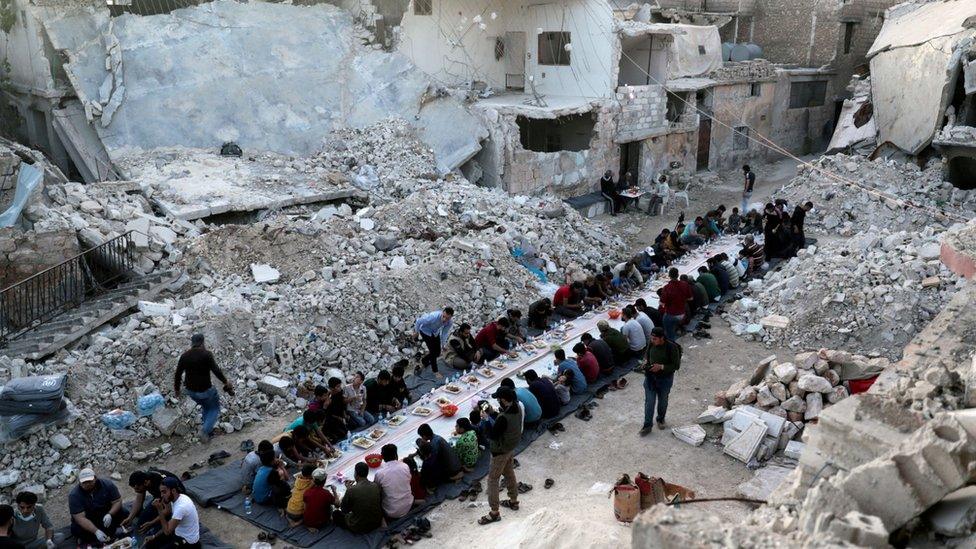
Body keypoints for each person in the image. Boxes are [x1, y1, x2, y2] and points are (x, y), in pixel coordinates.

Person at [174, 333, 234, 441]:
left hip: (191, 392)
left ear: (192, 343)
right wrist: (226, 382)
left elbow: (178, 374)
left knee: (206, 407)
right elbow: (216, 370)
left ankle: (208, 432)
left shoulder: (184, 356)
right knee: (214, 408)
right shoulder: (206, 354)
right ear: (202, 342)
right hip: (205, 391)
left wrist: (177, 389)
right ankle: (205, 431)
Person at [479, 387, 522, 526]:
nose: (498, 400)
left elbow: (493, 434)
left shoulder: (503, 418)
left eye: (498, 399)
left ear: (504, 399)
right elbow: (503, 423)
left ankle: (494, 512)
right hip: (510, 447)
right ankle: (514, 501)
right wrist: (492, 413)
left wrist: (486, 419)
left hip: (500, 451)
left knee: (492, 479)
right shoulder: (517, 407)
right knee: (509, 473)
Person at [639, 327, 682, 436]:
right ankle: (647, 425)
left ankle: (660, 419)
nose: (652, 341)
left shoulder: (672, 348)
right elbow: (647, 355)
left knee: (663, 401)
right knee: (650, 402)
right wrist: (645, 362)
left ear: (662, 338)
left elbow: (676, 366)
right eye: (652, 339)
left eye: (655, 339)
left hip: (665, 379)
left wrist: (661, 367)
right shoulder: (652, 343)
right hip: (650, 378)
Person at [69, 468, 122, 546]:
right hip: (88, 519)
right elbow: (80, 518)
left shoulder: (107, 485)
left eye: (90, 481)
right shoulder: (74, 495)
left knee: (123, 512)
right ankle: (89, 540)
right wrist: (96, 531)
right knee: (76, 529)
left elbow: (117, 501)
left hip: (104, 514)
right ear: (80, 482)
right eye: (84, 482)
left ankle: (115, 531)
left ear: (95, 478)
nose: (87, 484)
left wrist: (110, 514)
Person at [144, 477, 200, 549]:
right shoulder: (177, 498)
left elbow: (167, 532)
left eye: (164, 492)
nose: (161, 495)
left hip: (188, 541)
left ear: (173, 490)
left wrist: (159, 510)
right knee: (150, 544)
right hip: (178, 531)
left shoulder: (181, 507)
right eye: (161, 492)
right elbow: (168, 513)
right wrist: (154, 536)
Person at [334, 463, 383, 534]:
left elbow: (344, 509)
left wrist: (348, 491)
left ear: (355, 474)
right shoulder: (375, 485)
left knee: (336, 514)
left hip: (360, 527)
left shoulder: (351, 490)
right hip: (377, 522)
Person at [373, 445, 413, 519]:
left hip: (390, 511)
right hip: (408, 505)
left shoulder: (379, 473)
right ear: (396, 455)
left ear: (382, 457)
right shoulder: (405, 466)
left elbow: (376, 491)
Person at [122, 470, 164, 537]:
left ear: (146, 482)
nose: (136, 491)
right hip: (158, 498)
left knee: (160, 525)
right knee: (142, 520)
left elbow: (168, 510)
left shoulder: (161, 485)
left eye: (137, 488)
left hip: (171, 501)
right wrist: (130, 518)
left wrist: (152, 523)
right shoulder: (144, 479)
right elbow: (139, 500)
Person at [414, 307, 454, 377]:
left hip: (435, 332)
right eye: (443, 316)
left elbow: (444, 333)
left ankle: (424, 360)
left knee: (437, 352)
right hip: (425, 331)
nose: (444, 319)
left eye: (447, 318)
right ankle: (435, 371)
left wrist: (443, 345)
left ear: (450, 317)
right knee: (433, 352)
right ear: (442, 313)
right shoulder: (433, 317)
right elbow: (419, 321)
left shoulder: (449, 322)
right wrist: (416, 332)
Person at [660, 268, 693, 341]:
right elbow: (690, 298)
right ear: (678, 275)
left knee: (664, 318)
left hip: (672, 314)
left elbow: (662, 303)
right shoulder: (685, 284)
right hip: (682, 313)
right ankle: (679, 328)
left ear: (669, 276)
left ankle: (670, 340)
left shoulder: (666, 288)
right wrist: (681, 299)